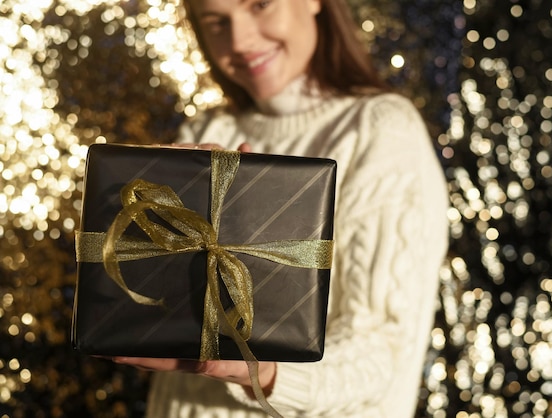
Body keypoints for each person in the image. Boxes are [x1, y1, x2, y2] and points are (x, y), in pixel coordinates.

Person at [112, 0, 449, 416]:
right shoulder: (207, 130)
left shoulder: (378, 130)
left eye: (259, 4)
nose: (240, 40)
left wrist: (265, 373)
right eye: (216, 22)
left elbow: (382, 351)